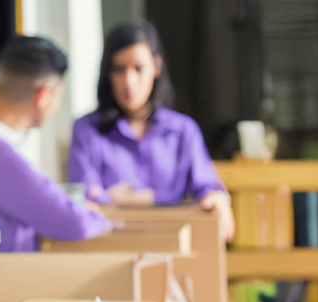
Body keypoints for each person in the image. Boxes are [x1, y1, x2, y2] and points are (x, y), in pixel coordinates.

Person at [68, 21, 235, 241]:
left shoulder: (183, 130)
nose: (129, 81)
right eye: (119, 69)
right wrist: (157, 199)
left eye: (138, 68)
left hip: (171, 243)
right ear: (107, 73)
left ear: (156, 66)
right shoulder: (87, 130)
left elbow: (206, 187)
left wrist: (218, 199)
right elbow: (85, 198)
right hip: (110, 245)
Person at [0, 35, 113, 253]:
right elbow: (73, 222)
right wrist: (97, 215)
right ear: (44, 95)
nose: (57, 107)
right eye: (58, 96)